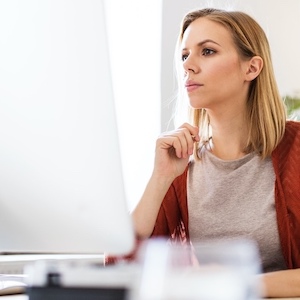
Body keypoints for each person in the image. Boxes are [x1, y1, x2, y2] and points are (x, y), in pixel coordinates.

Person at [131, 8, 300, 299]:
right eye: (184, 56)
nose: (188, 66)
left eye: (207, 51)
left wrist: (238, 283)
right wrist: (160, 178)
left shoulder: (295, 149)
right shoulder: (181, 162)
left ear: (252, 68)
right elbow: (122, 261)